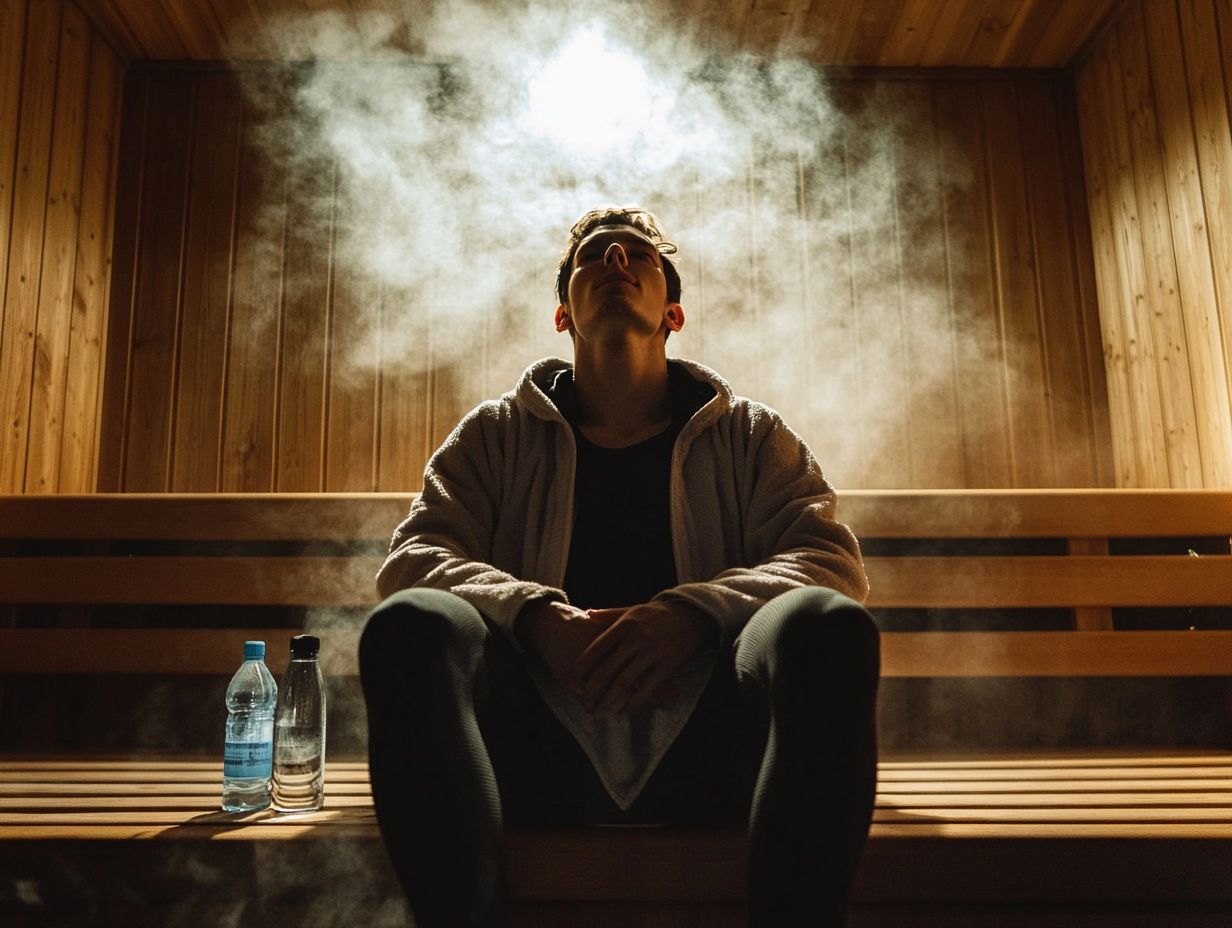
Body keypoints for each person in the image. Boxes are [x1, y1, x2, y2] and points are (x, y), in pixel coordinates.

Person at [360, 206, 880, 927]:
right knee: (410, 622)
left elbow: (828, 560)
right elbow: (413, 559)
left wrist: (692, 615)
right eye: (592, 258)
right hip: (525, 751)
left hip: (719, 749)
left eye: (636, 254)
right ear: (560, 315)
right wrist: (537, 618)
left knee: (826, 622)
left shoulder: (750, 435)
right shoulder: (495, 435)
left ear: (673, 312)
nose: (613, 262)